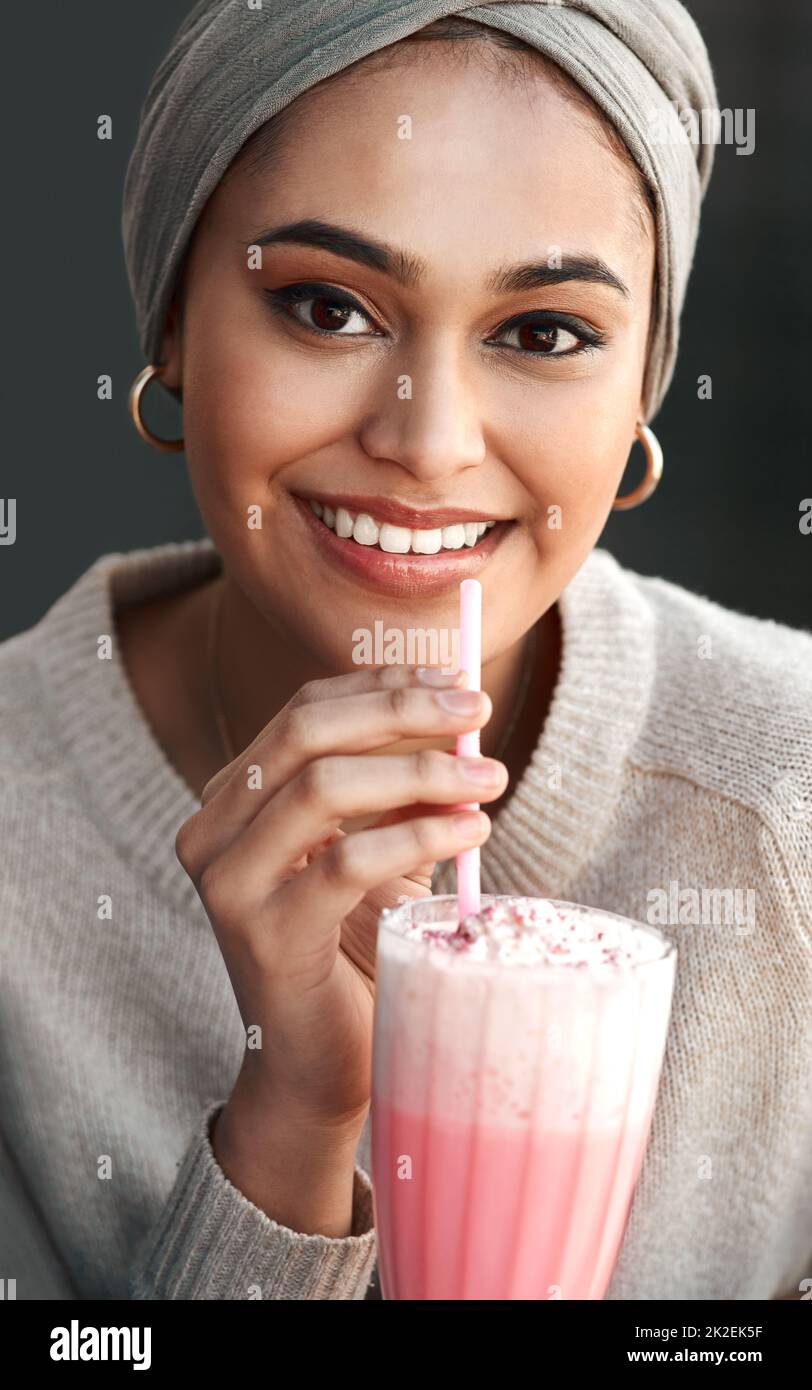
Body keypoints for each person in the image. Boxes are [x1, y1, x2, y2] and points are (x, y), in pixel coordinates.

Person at [1, 1, 810, 1302]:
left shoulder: (792, 799)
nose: (429, 444)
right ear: (169, 326)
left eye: (543, 331)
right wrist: (289, 1132)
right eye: (326, 307)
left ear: (644, 385)